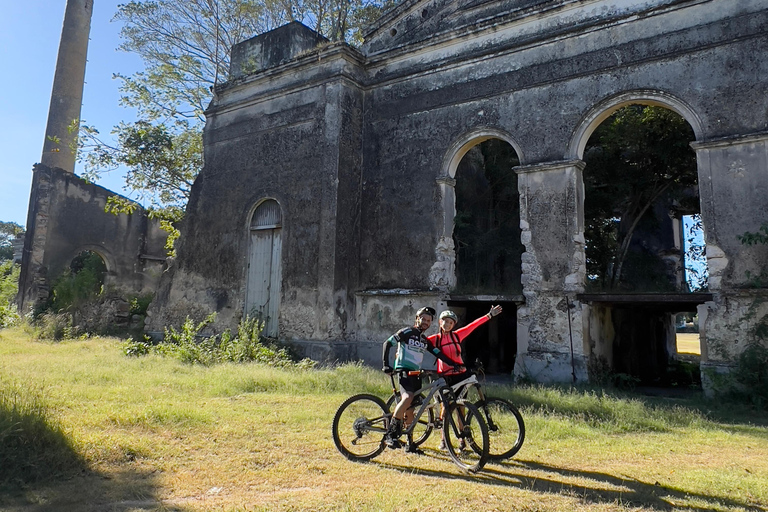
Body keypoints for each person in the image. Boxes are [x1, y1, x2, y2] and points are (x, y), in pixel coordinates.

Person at [381, 306, 462, 450]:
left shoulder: (424, 340)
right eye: (423, 319)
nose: (425, 322)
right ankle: (390, 435)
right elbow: (387, 343)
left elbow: (439, 354)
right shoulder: (406, 332)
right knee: (407, 398)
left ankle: (409, 444)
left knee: (411, 409)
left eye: (428, 320)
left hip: (416, 374)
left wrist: (453, 364)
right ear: (417, 319)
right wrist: (386, 365)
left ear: (431, 323)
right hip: (404, 371)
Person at [427, 305, 503, 449]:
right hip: (445, 377)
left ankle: (462, 439)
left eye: (450, 322)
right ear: (440, 322)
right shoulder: (434, 339)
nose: (447, 324)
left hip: (460, 376)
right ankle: (444, 439)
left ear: (453, 325)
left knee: (461, 407)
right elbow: (419, 342)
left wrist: (489, 315)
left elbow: (473, 325)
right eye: (445, 321)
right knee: (446, 408)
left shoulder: (457, 335)